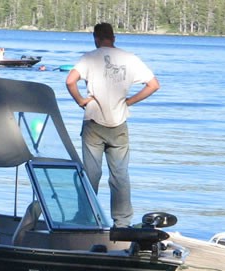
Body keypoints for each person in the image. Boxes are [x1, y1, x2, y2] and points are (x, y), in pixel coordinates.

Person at [65, 22, 160, 227]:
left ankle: (87, 218)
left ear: (96, 38)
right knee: (120, 175)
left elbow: (69, 81)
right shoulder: (131, 59)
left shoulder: (89, 57)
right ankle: (122, 222)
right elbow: (154, 85)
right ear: (114, 37)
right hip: (119, 123)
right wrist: (129, 102)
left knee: (91, 173)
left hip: (94, 121)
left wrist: (81, 101)